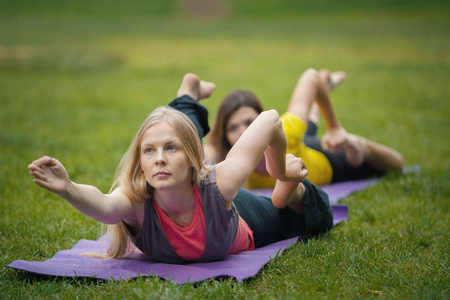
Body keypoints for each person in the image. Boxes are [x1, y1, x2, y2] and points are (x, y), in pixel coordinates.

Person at [28, 74, 333, 264]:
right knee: (169, 128)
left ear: (192, 157)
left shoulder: (220, 184)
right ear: (141, 163)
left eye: (170, 150)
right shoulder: (136, 203)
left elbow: (270, 119)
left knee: (309, 218)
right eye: (148, 151)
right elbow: (104, 205)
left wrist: (279, 170)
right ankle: (188, 94)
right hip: (208, 195)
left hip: (238, 212)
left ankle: (295, 186)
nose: (158, 158)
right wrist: (68, 188)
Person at [204, 68, 404, 188]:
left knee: (391, 165)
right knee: (305, 126)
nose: (242, 133)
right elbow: (203, 154)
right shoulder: (229, 157)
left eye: (249, 122)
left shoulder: (285, 130)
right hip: (294, 145)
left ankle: (360, 143)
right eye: (232, 128)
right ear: (225, 135)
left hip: (318, 157)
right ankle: (325, 89)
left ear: (261, 120)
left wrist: (334, 127)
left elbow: (310, 77)